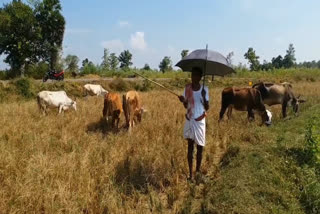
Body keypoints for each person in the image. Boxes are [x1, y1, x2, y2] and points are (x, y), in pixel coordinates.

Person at [178, 67, 209, 180]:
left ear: (200, 77)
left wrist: (205, 97)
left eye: (196, 75)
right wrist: (183, 101)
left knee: (200, 147)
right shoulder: (187, 88)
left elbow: (207, 107)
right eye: (192, 75)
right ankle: (191, 174)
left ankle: (198, 171)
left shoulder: (204, 89)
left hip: (200, 120)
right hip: (190, 119)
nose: (193, 77)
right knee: (190, 147)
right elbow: (186, 106)